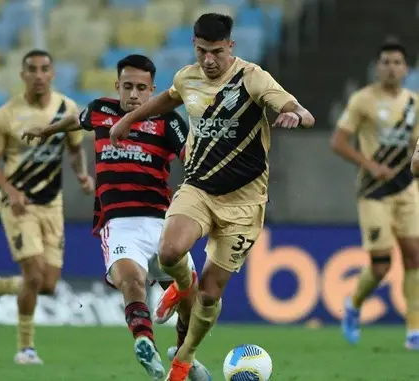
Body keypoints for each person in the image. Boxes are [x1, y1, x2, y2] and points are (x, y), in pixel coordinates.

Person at [110, 14, 315, 381]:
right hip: (199, 189)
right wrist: (128, 120)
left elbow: (292, 106)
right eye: (202, 50)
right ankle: (181, 283)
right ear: (194, 45)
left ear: (230, 48)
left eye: (216, 52)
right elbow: (168, 99)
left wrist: (297, 114)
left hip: (244, 204)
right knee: (169, 252)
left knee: (209, 295)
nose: (208, 60)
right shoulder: (187, 77)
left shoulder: (252, 77)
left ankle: (183, 358)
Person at [22, 54, 211, 381]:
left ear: (153, 90)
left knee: (191, 301)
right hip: (119, 224)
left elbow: (191, 160)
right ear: (117, 86)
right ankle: (145, 342)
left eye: (141, 88)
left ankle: (184, 358)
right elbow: (75, 120)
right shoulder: (101, 110)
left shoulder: (167, 120)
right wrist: (46, 131)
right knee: (132, 282)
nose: (134, 94)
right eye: (128, 87)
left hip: (164, 223)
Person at [0, 50, 94, 365]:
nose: (39, 75)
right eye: (32, 69)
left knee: (47, 284)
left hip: (51, 204)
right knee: (33, 275)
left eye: (45, 69)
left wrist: (82, 173)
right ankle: (25, 349)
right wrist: (10, 190)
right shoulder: (5, 115)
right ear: (22, 75)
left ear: (53, 73)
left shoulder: (66, 108)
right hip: (18, 204)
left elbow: (74, 149)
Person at [332, 39, 419, 350]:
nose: (391, 67)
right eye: (386, 61)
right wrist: (370, 164)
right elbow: (338, 141)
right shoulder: (363, 100)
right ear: (377, 66)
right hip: (374, 191)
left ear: (406, 69)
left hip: (407, 189)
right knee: (381, 265)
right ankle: (354, 305)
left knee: (414, 256)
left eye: (397, 62)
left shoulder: (414, 102)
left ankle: (414, 331)